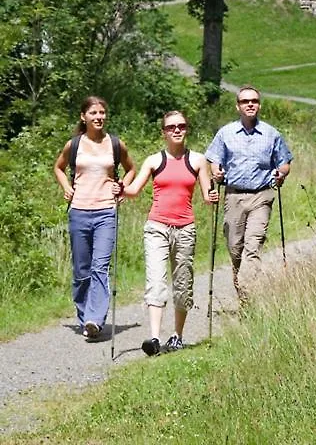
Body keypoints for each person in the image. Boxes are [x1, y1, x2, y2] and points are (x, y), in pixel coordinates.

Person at [123, 110, 218, 356]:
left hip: (185, 228)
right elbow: (133, 191)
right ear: (163, 132)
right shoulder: (154, 161)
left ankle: (177, 336)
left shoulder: (197, 160)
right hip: (157, 227)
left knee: (183, 284)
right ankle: (154, 338)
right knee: (156, 281)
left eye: (181, 126)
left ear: (186, 129)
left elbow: (208, 196)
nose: (177, 130)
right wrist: (119, 188)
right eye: (171, 127)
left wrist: (213, 195)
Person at [54, 96, 135, 341]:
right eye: (93, 113)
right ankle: (84, 317)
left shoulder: (115, 144)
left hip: (105, 212)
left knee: (100, 267)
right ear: (83, 117)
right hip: (78, 212)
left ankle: (95, 319)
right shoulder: (74, 145)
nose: (99, 117)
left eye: (102, 113)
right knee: (81, 272)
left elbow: (131, 169)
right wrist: (66, 187)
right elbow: (58, 167)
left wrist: (122, 186)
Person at [205, 85, 293, 302]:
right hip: (233, 196)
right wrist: (216, 171)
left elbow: (284, 162)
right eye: (245, 101)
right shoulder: (226, 133)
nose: (250, 104)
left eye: (254, 101)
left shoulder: (271, 134)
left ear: (259, 105)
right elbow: (214, 159)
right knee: (235, 249)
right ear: (238, 106)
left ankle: (248, 295)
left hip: (261, 196)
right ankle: (244, 292)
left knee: (252, 247)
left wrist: (281, 174)